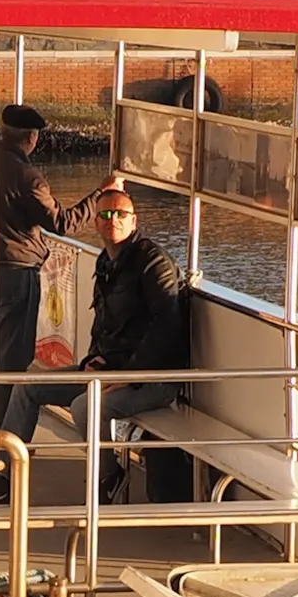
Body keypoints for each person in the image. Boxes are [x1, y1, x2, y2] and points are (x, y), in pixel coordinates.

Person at [75, 183, 197, 501]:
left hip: (155, 379)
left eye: (120, 213)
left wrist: (131, 374)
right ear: (96, 221)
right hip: (112, 368)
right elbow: (101, 323)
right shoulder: (105, 263)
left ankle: (108, 481)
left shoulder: (153, 263)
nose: (112, 219)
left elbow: (166, 325)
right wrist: (92, 359)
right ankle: (3, 469)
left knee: (87, 407)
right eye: (105, 214)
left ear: (134, 220)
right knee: (28, 389)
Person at [0, 102, 63, 394]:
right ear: (31, 138)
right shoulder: (27, 176)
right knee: (13, 358)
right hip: (18, 272)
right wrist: (101, 196)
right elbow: (60, 224)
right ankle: (0, 432)